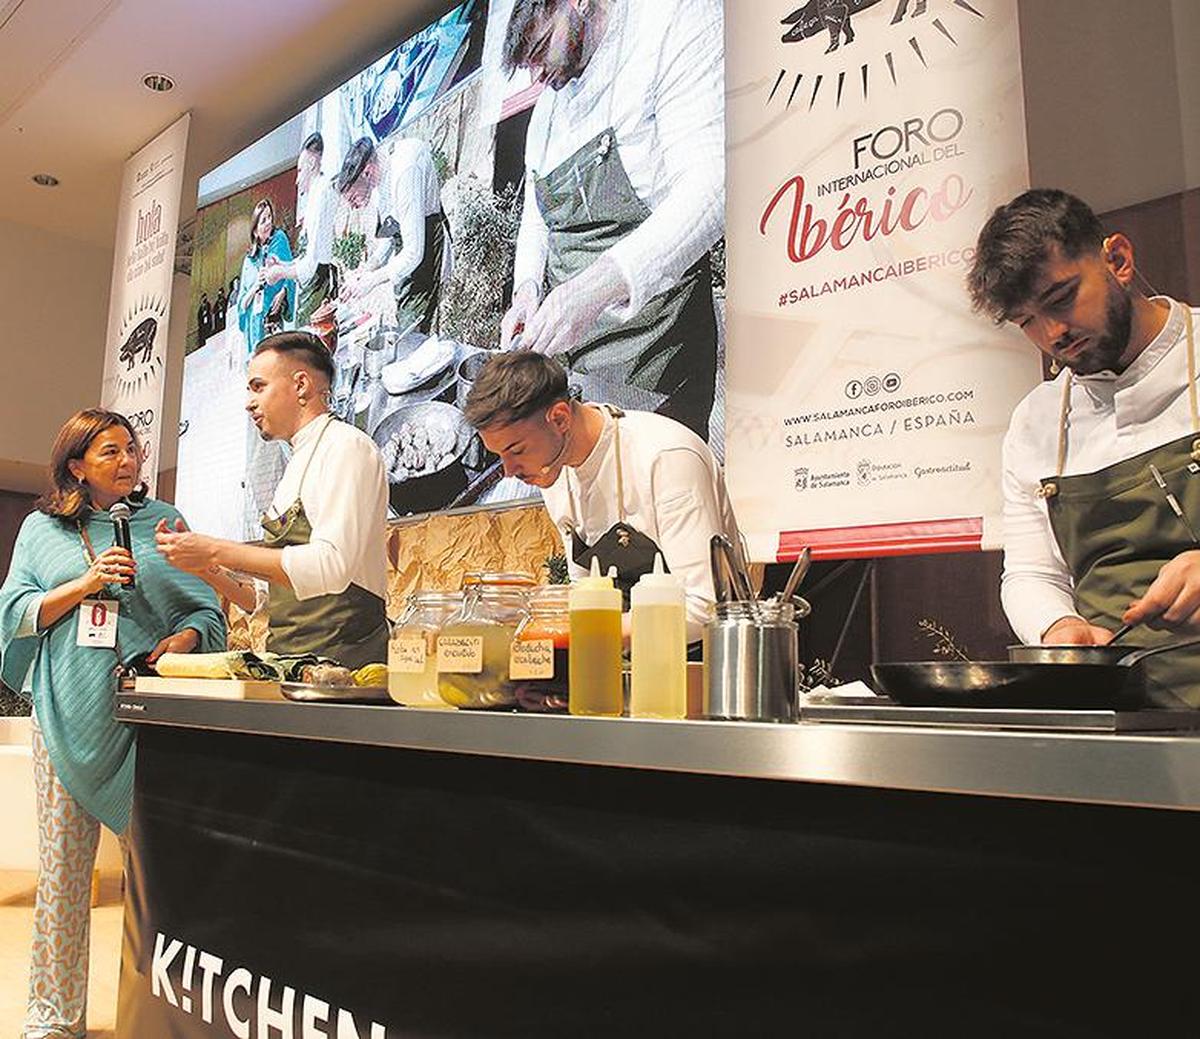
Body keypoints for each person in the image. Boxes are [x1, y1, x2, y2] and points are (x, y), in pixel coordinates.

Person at [0, 409, 226, 1039]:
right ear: (76, 464)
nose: (128, 461)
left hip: (149, 721)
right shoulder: (42, 529)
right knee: (64, 875)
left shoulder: (164, 524)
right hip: (68, 717)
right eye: (110, 452)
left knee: (157, 873)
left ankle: (158, 1010)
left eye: (132, 449)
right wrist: (85, 583)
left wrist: (185, 636)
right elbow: (15, 612)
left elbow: (206, 609)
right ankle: (52, 1017)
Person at [967, 188, 1200, 703]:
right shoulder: (1037, 422)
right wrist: (1057, 628)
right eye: (1027, 320)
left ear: (1117, 259)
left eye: (1061, 298)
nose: (1053, 332)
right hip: (1122, 715)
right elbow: (1030, 572)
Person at [498, 0, 724, 441]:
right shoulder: (548, 107)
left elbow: (711, 188)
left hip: (653, 353)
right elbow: (536, 215)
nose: (539, 77)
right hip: (575, 359)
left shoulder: (668, 21)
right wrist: (526, 286)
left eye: (543, 47)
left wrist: (594, 288)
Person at [463, 351, 740, 642]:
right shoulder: (556, 474)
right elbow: (585, 590)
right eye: (499, 456)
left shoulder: (665, 456)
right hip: (623, 661)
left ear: (559, 418)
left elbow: (704, 606)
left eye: (516, 451)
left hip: (703, 662)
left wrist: (584, 633)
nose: (508, 471)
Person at [156, 331, 390, 668]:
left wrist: (214, 548)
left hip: (346, 670)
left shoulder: (345, 446)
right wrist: (207, 570)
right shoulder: (296, 463)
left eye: (258, 386)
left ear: (301, 385)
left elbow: (332, 566)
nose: (249, 402)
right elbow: (261, 599)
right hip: (293, 667)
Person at [335, 135, 451, 334]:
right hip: (407, 249)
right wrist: (367, 268)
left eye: (353, 197)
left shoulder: (405, 171)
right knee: (404, 320)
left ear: (367, 172)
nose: (353, 206)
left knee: (411, 329)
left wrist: (370, 282)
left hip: (427, 246)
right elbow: (390, 234)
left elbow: (414, 253)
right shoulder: (378, 180)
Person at [263, 132, 339, 327]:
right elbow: (308, 256)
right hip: (311, 287)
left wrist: (279, 272)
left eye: (299, 171)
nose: (297, 180)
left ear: (312, 164)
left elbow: (311, 265)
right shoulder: (316, 195)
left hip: (317, 288)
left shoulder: (322, 195)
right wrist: (283, 264)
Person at [237, 198, 296, 354]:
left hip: (274, 320)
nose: (269, 222)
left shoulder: (280, 239)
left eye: (270, 217)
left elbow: (290, 270)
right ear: (255, 231)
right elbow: (242, 305)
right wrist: (256, 286)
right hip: (255, 325)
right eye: (263, 220)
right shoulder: (249, 261)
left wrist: (283, 292)